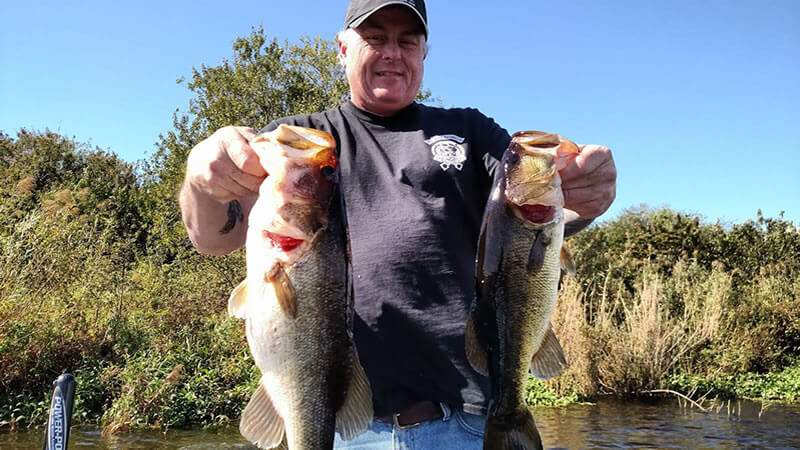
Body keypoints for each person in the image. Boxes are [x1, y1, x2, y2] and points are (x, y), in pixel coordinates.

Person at [179, 0, 617, 448]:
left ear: (424, 53)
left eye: (407, 40)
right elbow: (210, 237)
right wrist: (201, 181)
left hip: (465, 425)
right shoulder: (299, 142)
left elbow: (526, 225)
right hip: (343, 427)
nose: (392, 52)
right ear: (342, 49)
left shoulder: (472, 131)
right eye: (375, 37)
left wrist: (585, 197)